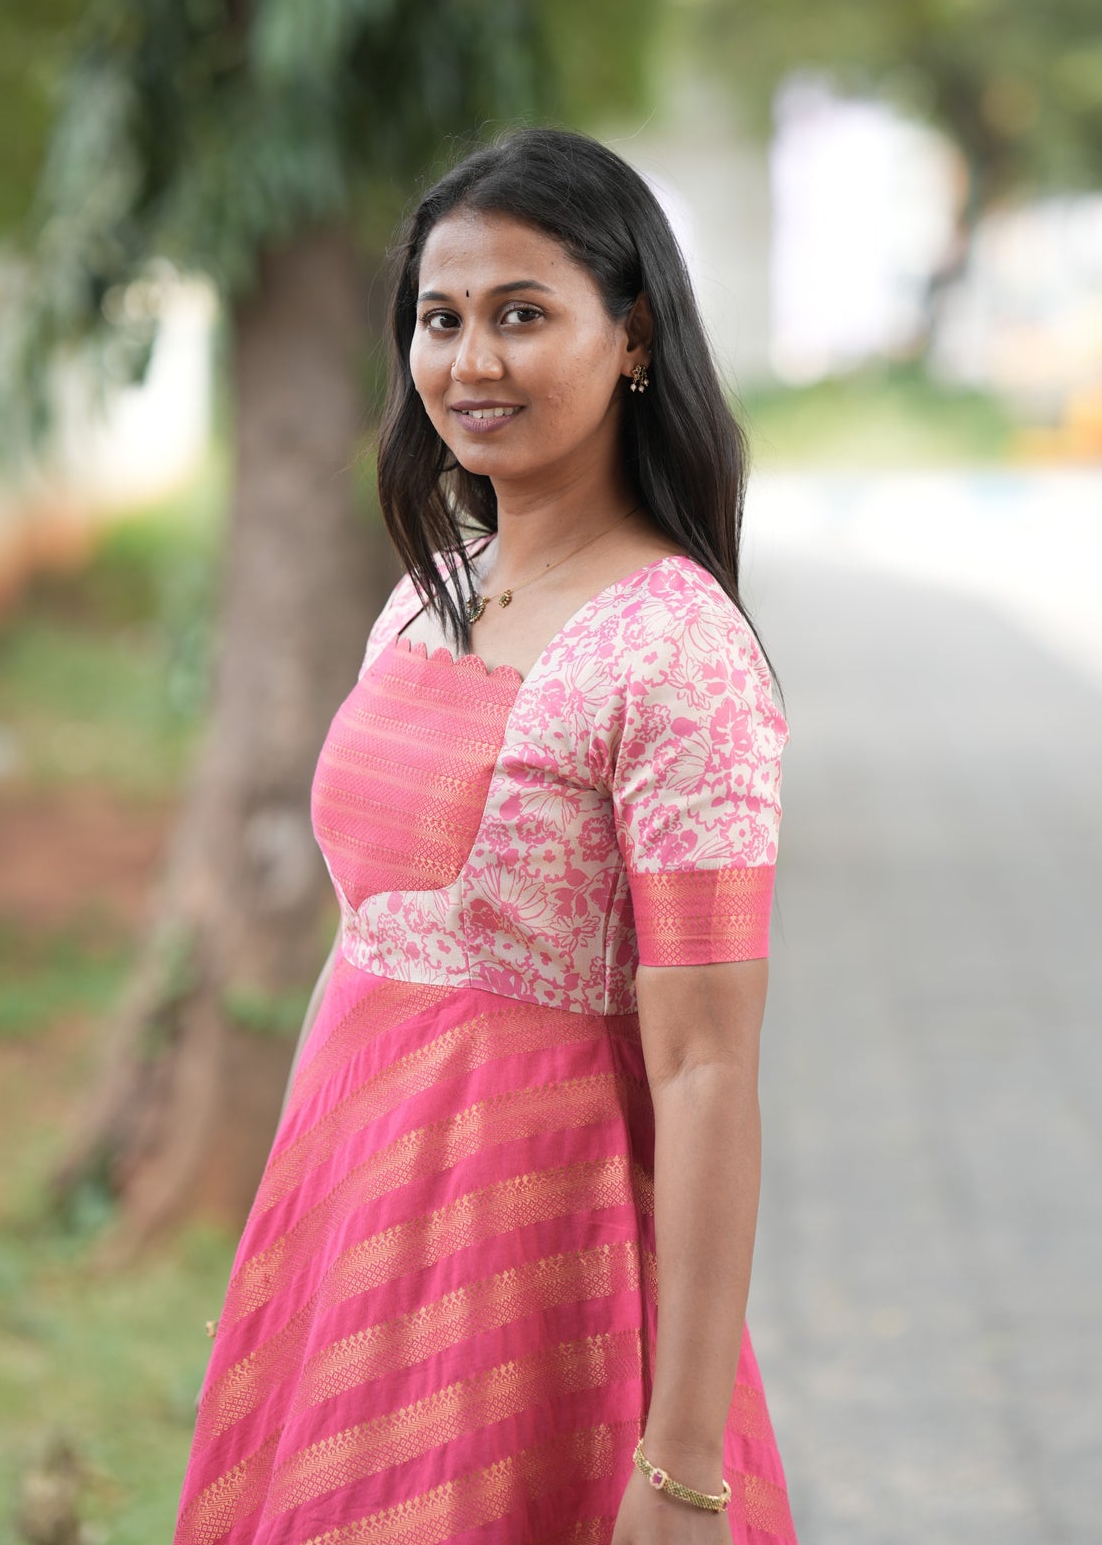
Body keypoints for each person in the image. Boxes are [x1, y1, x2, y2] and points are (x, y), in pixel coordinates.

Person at [174, 127, 795, 1544]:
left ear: (631, 336)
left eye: (523, 315)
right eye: (439, 321)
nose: (471, 363)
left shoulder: (674, 653)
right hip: (353, 1211)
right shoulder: (427, 594)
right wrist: (294, 1247)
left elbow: (704, 1068)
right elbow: (366, 947)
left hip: (536, 1257)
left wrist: (682, 1463)